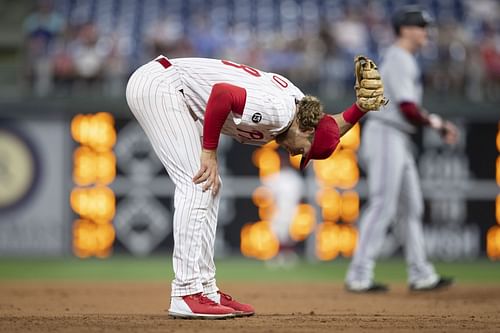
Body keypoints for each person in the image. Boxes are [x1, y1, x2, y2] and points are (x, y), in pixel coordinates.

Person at [126, 55, 386, 318]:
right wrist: (209, 152)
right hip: (162, 86)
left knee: (210, 187)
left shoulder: (301, 114)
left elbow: (328, 129)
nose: (295, 154)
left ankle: (205, 289)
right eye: (303, 152)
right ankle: (185, 292)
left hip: (176, 91)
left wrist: (360, 109)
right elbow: (222, 95)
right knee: (196, 182)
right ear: (307, 132)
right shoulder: (280, 111)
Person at [345, 6, 459, 293]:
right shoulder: (398, 57)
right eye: (420, 26)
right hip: (385, 133)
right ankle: (359, 274)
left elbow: (409, 108)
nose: (425, 32)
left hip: (397, 137)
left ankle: (420, 273)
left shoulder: (402, 58)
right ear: (405, 29)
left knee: (411, 206)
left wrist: (434, 122)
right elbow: (408, 108)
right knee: (383, 203)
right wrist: (438, 123)